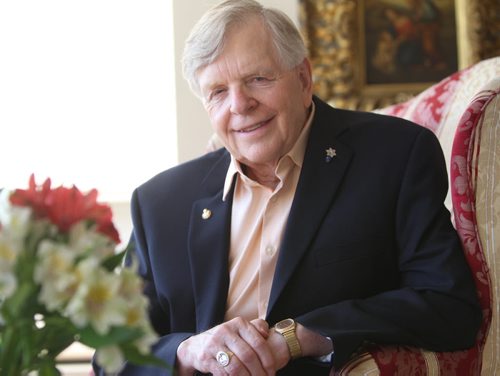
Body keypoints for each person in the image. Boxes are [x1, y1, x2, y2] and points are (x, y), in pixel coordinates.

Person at [93, 0, 481, 374]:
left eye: (257, 79)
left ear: (303, 78)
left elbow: (448, 305)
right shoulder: (160, 203)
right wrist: (188, 350)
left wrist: (298, 338)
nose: (240, 105)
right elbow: (111, 352)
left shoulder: (393, 156)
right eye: (218, 92)